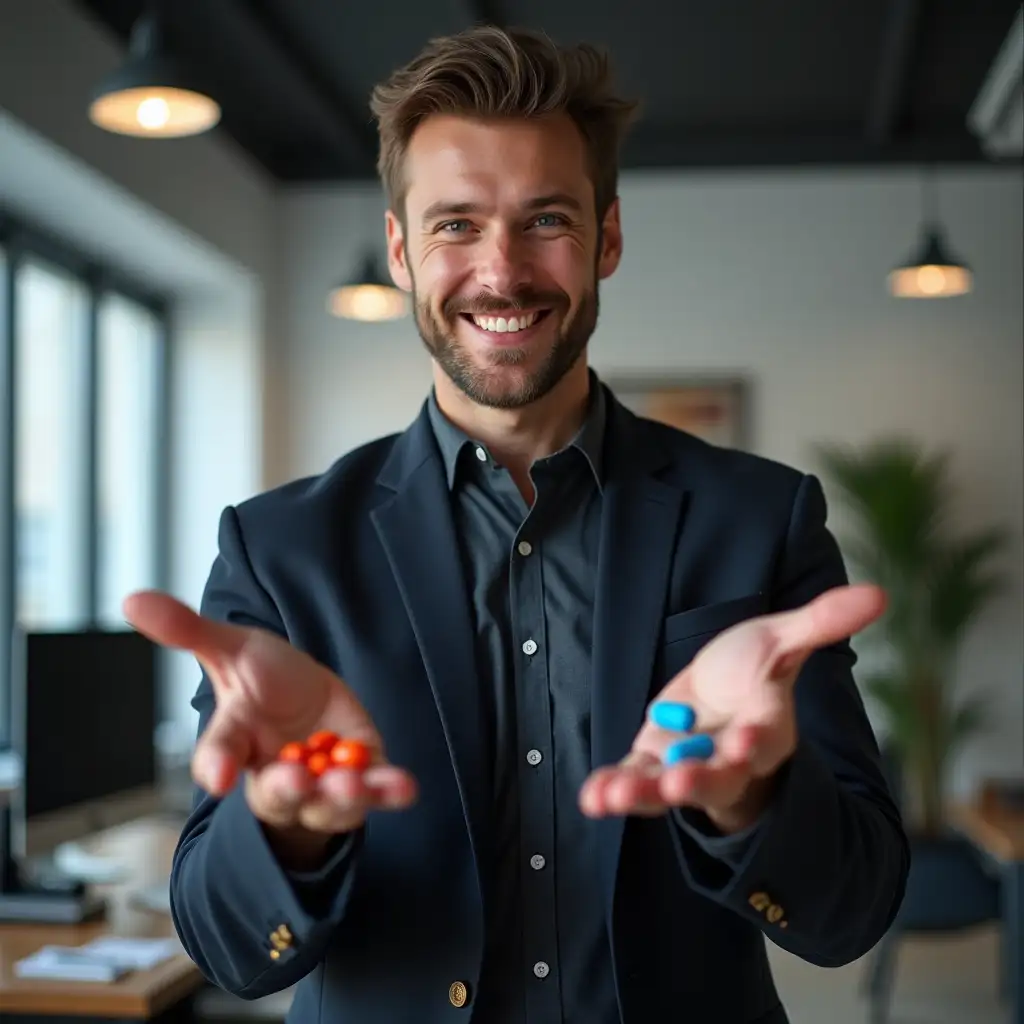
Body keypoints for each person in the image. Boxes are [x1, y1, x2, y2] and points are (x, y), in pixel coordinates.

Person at [124, 24, 909, 1024]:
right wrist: (282, 829)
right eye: (456, 224)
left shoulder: (759, 518)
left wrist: (751, 798)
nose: (502, 272)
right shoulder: (279, 552)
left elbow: (852, 909)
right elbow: (231, 949)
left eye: (545, 219)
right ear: (402, 250)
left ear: (606, 238)